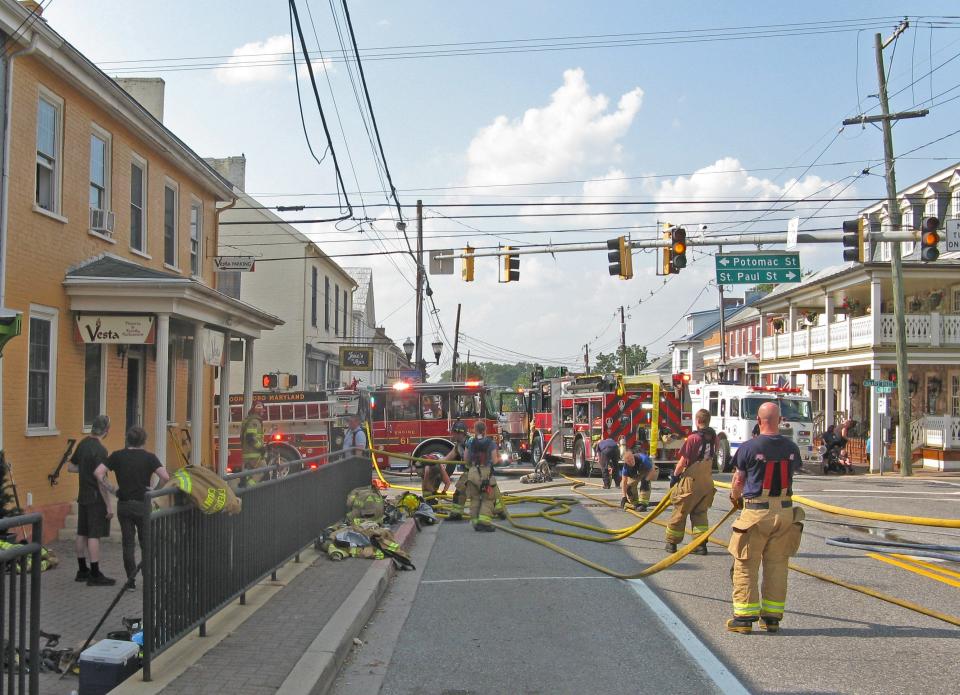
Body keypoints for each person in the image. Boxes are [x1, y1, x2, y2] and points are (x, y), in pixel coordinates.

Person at [727, 402, 805, 634]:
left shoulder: (749, 448)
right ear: (779, 420)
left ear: (759, 421)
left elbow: (739, 480)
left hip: (756, 512)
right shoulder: (791, 447)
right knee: (777, 565)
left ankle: (744, 618)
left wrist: (735, 498)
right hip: (784, 512)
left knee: (746, 564)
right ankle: (771, 618)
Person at [95, 426, 170, 590]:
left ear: (127, 439)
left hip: (124, 505)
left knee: (128, 544)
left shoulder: (117, 456)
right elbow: (165, 477)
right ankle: (148, 579)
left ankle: (130, 581)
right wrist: (155, 491)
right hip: (143, 504)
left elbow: (99, 473)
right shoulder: (149, 458)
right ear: (144, 441)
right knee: (146, 543)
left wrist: (113, 489)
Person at [68, 414, 115, 586]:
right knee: (94, 535)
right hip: (96, 498)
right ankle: (95, 573)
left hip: (83, 495)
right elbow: (101, 480)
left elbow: (71, 467)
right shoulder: (101, 450)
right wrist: (109, 506)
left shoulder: (83, 443)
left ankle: (82, 570)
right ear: (106, 430)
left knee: (82, 532)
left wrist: (85, 469)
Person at [664, 409, 717, 555]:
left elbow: (682, 463)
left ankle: (671, 544)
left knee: (680, 510)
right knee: (700, 513)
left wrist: (675, 477)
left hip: (691, 481)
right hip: (706, 481)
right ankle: (700, 546)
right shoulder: (714, 438)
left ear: (697, 420)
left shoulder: (693, 439)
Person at [446, 421, 506, 521]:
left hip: (475, 471)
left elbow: (466, 459)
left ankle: (459, 514)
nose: (451, 434)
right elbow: (447, 458)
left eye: (453, 432)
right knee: (489, 492)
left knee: (473, 493)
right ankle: (500, 511)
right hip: (480, 471)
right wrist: (432, 460)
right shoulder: (458, 445)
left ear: (459, 433)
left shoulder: (469, 442)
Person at [464, 421, 499, 532]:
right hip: (485, 474)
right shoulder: (490, 443)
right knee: (488, 498)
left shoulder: (470, 442)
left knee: (474, 499)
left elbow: (466, 460)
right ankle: (484, 523)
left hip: (472, 473)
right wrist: (500, 459)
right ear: (485, 430)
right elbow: (494, 460)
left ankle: (475, 523)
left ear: (474, 430)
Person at [620, 446, 655, 512]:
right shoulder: (625, 467)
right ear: (626, 462)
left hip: (648, 470)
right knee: (629, 486)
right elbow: (624, 482)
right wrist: (624, 497)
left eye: (632, 460)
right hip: (636, 473)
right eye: (629, 462)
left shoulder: (643, 459)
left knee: (645, 483)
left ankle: (643, 504)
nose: (631, 462)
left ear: (633, 456)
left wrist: (646, 480)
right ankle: (635, 503)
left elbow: (652, 470)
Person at [239, 403, 266, 484]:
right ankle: (250, 488)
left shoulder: (249, 420)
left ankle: (245, 487)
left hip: (249, 453)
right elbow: (250, 438)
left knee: (249, 474)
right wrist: (261, 448)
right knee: (264, 470)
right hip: (253, 454)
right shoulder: (254, 421)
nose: (263, 412)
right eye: (261, 410)